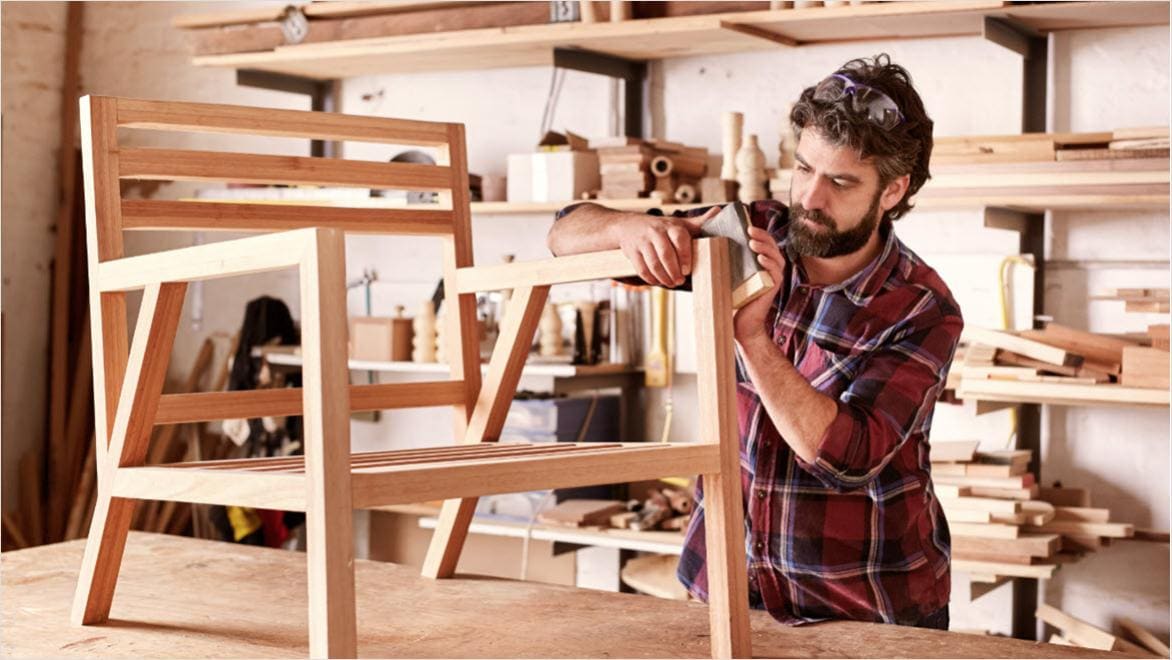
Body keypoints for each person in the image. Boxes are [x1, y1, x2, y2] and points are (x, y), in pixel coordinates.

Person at [547, 54, 962, 629]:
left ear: (892, 191)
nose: (811, 198)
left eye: (841, 181)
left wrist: (752, 337)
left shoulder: (921, 307)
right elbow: (564, 232)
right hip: (727, 593)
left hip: (864, 610)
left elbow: (846, 458)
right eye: (804, 168)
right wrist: (629, 228)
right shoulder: (747, 233)